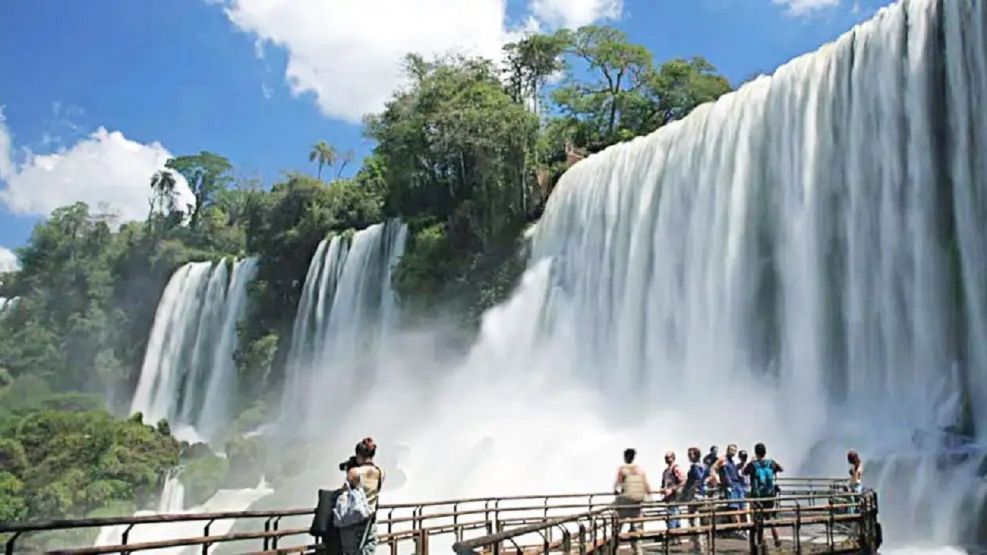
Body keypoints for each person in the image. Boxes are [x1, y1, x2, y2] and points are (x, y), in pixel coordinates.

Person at [339, 438, 384, 555]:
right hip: (371, 521)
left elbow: (343, 493)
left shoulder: (354, 472)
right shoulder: (381, 472)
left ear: (359, 454)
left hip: (354, 523)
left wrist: (349, 470)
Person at [742, 443, 783, 549]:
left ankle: (760, 542)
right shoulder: (771, 463)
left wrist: (752, 461)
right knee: (769, 517)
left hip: (757, 496)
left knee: (758, 519)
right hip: (769, 494)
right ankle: (777, 539)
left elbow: (743, 473)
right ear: (765, 452)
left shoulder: (753, 464)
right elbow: (780, 469)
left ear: (756, 452)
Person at [614, 449, 651, 555]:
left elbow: (617, 486)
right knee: (637, 529)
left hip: (625, 503)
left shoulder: (622, 469)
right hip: (637, 504)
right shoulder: (640, 470)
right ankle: (638, 551)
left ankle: (615, 550)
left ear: (625, 457)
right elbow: (646, 485)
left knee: (617, 527)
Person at [709, 444, 746, 530]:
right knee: (734, 507)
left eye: (734, 450)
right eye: (731, 450)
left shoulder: (732, 461)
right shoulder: (723, 459)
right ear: (727, 450)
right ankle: (737, 528)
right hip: (729, 486)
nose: (733, 452)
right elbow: (713, 469)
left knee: (741, 507)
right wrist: (717, 479)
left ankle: (742, 528)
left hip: (737, 485)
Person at [680, 447, 707, 550]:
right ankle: (698, 544)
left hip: (694, 496)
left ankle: (698, 546)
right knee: (697, 519)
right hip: (702, 494)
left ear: (696, 455)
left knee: (693, 520)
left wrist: (687, 493)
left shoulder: (694, 467)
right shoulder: (704, 466)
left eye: (691, 454)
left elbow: (696, 480)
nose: (689, 456)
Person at [660, 451, 686, 531]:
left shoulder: (676, 469)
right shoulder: (665, 471)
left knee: (672, 515)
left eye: (669, 457)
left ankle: (674, 534)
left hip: (675, 496)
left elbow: (683, 481)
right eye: (666, 458)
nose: (667, 459)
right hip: (668, 497)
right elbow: (663, 483)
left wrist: (673, 489)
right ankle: (676, 535)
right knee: (673, 514)